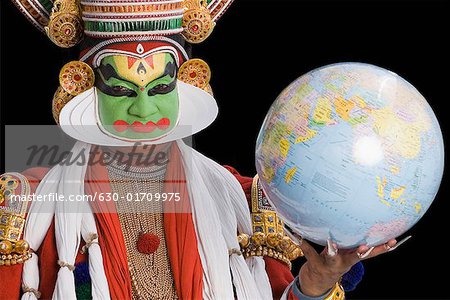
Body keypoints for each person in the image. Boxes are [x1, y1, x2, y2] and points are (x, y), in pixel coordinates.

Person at [0, 0, 401, 299]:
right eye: (121, 90)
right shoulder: (28, 208)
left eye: (160, 88)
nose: (143, 110)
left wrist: (314, 283)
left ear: (187, 83)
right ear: (85, 88)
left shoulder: (243, 199)